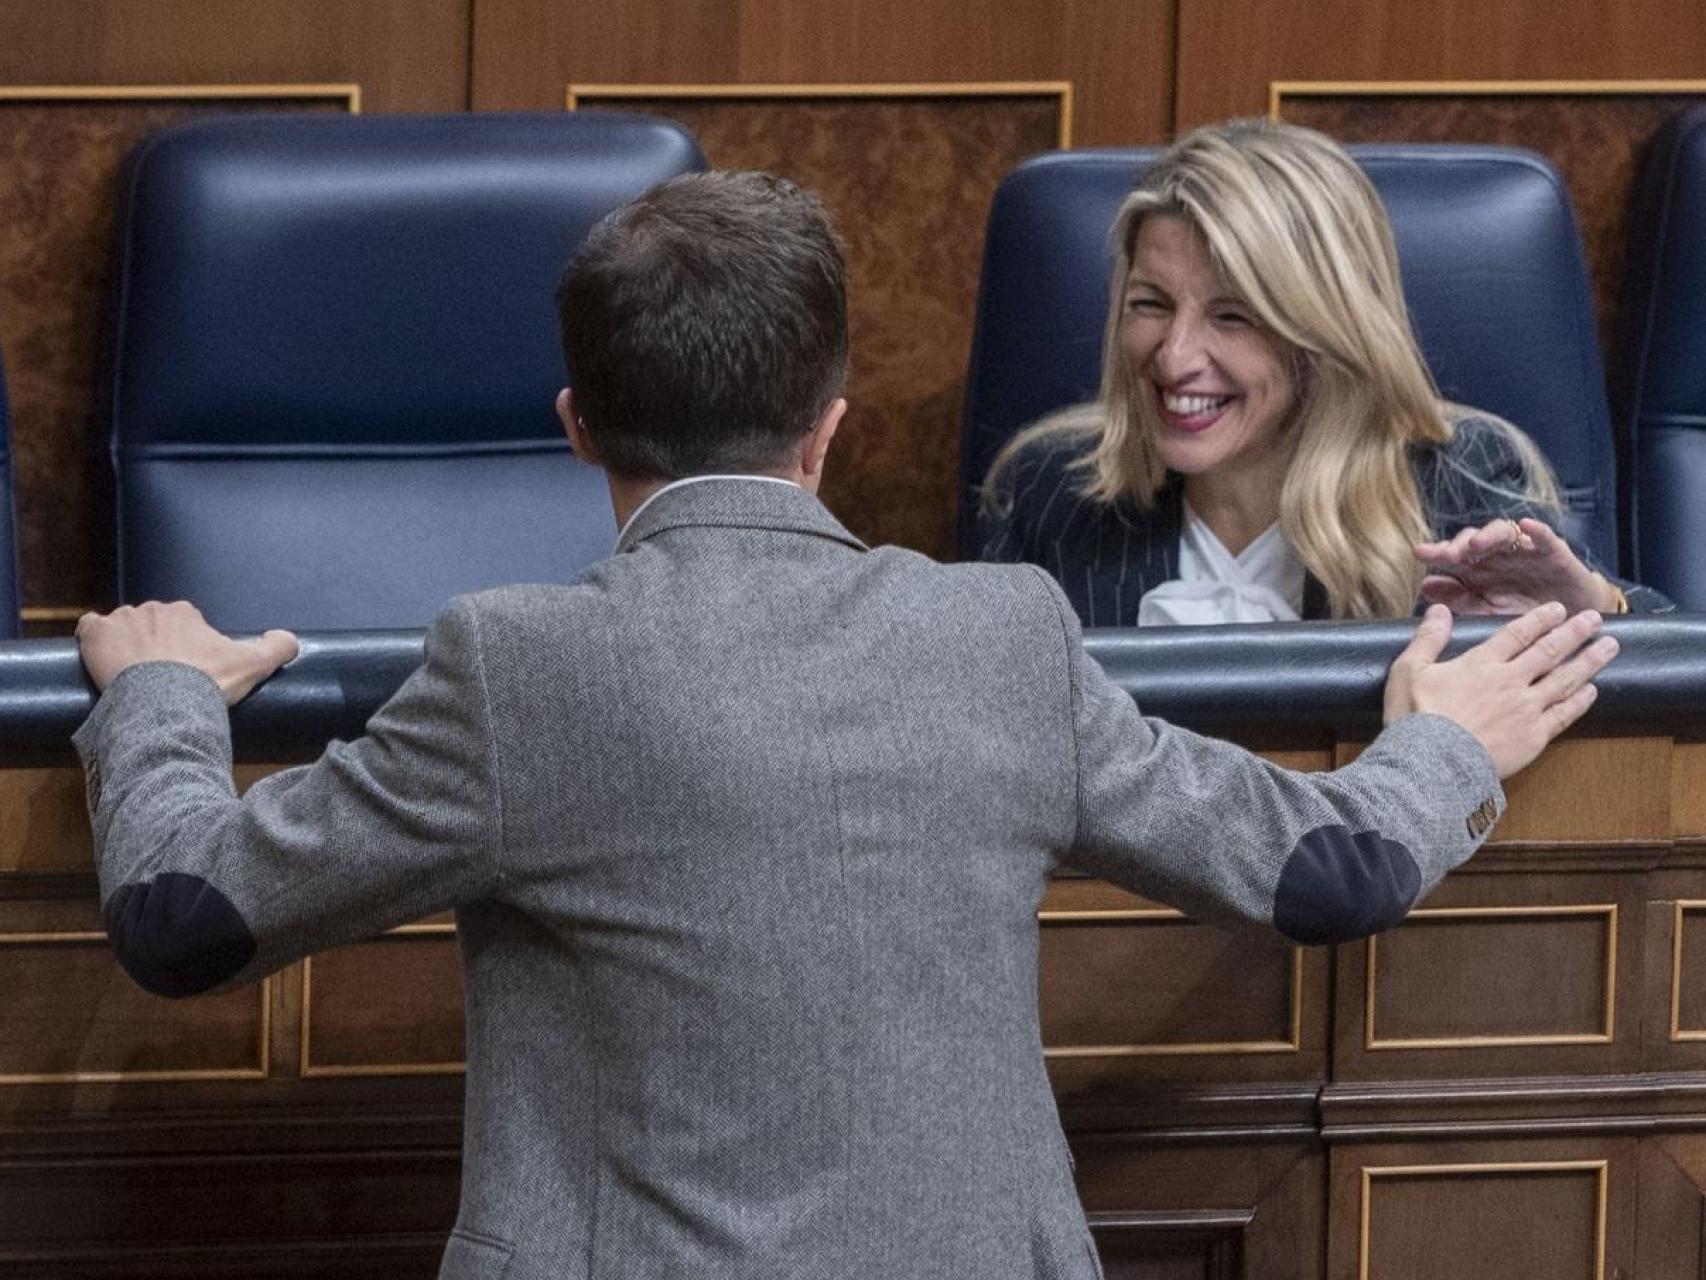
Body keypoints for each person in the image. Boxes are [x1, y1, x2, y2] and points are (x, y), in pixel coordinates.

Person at [73, 171, 1615, 1280]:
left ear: (575, 426)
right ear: (832, 422)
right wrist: (1447, 738)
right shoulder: (998, 632)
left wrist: (153, 691)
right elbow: (1329, 872)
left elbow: (181, 917)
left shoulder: (513, 665)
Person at [981, 118, 1672, 627]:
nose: (1174, 356)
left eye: (1234, 316)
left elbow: (1673, 667)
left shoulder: (1453, 483)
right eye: (1151, 305)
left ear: (1325, 332)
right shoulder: (1051, 492)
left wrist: (1591, 608)